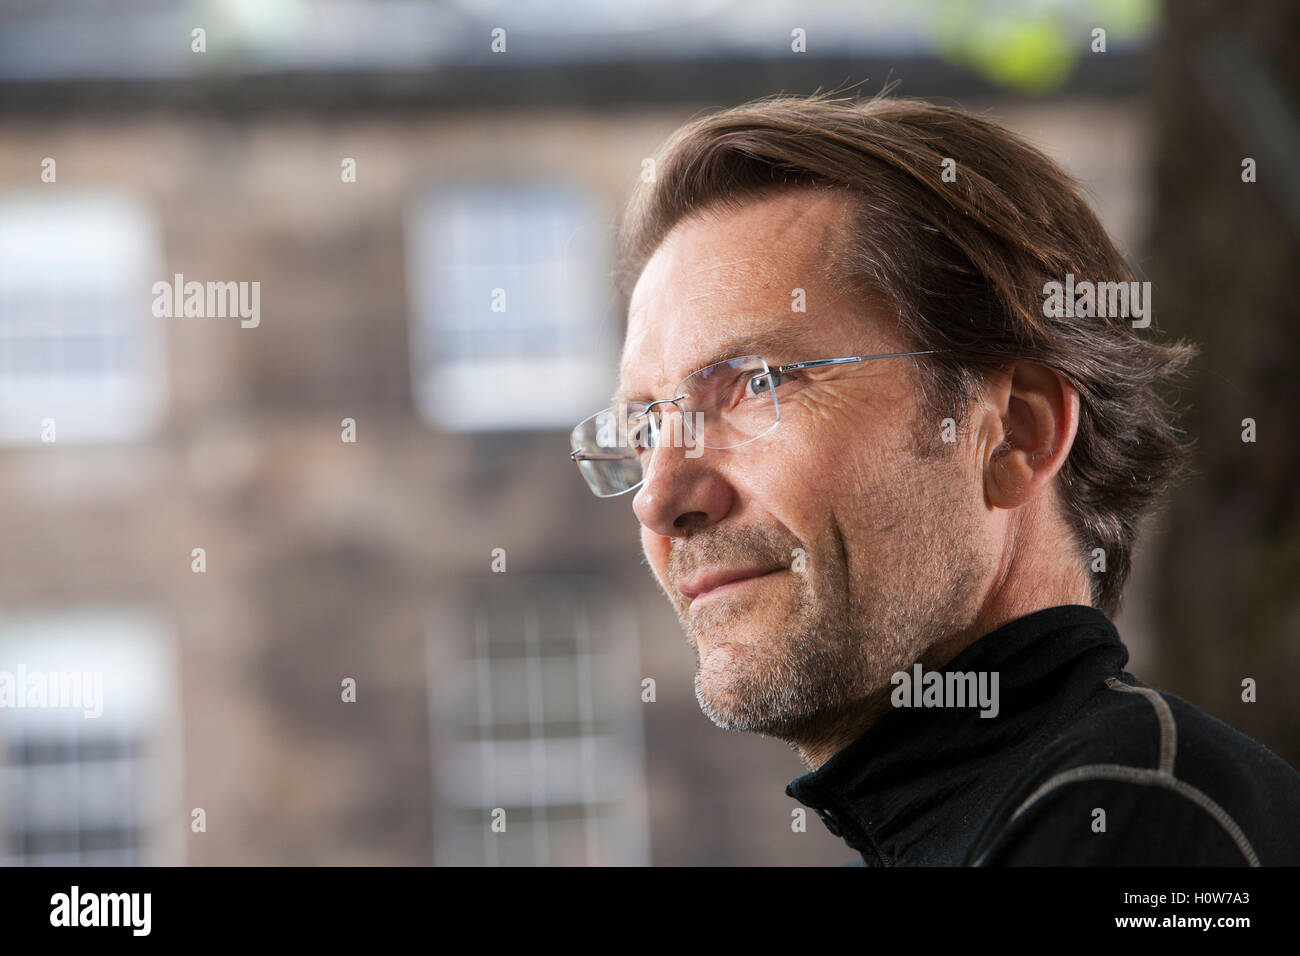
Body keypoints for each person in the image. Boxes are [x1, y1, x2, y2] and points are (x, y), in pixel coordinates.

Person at [568, 92, 1300, 865]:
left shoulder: (1133, 830)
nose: (659, 497)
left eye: (757, 385)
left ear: (1016, 433)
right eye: (646, 427)